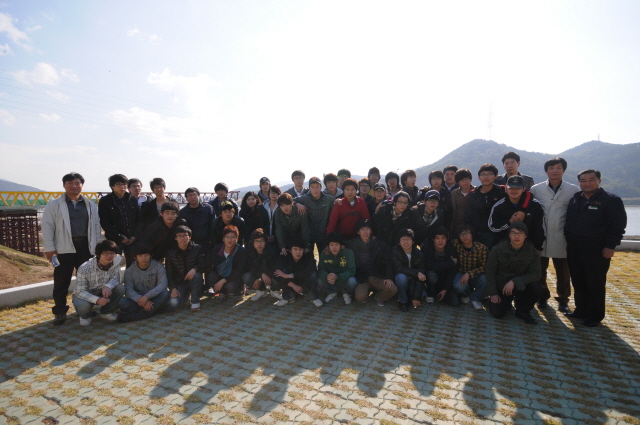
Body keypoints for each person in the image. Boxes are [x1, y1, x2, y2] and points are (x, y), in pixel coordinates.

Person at [564, 169, 627, 327]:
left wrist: (610, 246)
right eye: (583, 180)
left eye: (591, 180)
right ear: (579, 183)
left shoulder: (611, 200)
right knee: (578, 280)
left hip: (597, 249)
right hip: (574, 247)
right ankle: (581, 310)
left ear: (599, 181)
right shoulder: (576, 198)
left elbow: (617, 226)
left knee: (595, 283)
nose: (587, 183)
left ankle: (595, 315)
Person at [42, 172, 103, 325]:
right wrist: (49, 248)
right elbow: (47, 227)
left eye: (77, 183)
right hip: (64, 247)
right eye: (70, 183)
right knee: (62, 281)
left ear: (82, 185)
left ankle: (85, 308)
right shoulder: (54, 205)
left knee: (88, 281)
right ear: (64, 185)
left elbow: (96, 227)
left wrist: (97, 247)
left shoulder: (90, 205)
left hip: (85, 247)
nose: (74, 186)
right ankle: (60, 312)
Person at [530, 157, 580, 312]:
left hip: (562, 236)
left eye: (558, 167)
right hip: (541, 236)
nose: (555, 171)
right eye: (551, 168)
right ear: (546, 171)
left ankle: (563, 300)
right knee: (539, 270)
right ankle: (542, 297)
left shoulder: (573, 190)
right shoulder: (536, 189)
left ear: (563, 170)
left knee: (563, 272)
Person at [485, 221, 542, 325]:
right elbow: (490, 272)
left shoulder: (532, 252)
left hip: (520, 286)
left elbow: (536, 273)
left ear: (525, 236)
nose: (517, 236)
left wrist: (515, 281)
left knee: (536, 287)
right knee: (497, 313)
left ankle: (522, 310)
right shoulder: (498, 249)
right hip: (502, 287)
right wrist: (493, 293)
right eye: (513, 233)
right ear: (509, 235)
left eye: (520, 233)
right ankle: (505, 302)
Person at [72, 240, 124, 326]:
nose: (109, 256)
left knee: (120, 288)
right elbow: (79, 291)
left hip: (103, 290)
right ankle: (85, 316)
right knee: (83, 306)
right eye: (105, 253)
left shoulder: (117, 261)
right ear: (98, 254)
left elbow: (116, 278)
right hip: (86, 293)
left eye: (112, 253)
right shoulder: (85, 268)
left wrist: (108, 286)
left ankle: (106, 312)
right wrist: (97, 300)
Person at [347, 219, 397, 306]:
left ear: (371, 231)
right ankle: (365, 293)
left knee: (393, 289)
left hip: (377, 277)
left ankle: (378, 296)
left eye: (367, 229)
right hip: (363, 278)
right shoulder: (352, 245)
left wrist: (389, 277)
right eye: (362, 229)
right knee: (360, 297)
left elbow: (388, 262)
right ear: (358, 232)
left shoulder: (380, 244)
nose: (365, 232)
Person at [488, 175, 545, 251]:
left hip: (529, 248)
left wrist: (538, 247)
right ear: (506, 189)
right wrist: (509, 222)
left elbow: (540, 229)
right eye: (511, 188)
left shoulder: (535, 205)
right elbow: (492, 227)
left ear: (523, 189)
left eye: (517, 188)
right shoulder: (498, 206)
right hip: (504, 248)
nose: (514, 191)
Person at [98, 174, 143, 268]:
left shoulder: (132, 199)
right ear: (112, 186)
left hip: (132, 240)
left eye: (124, 184)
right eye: (118, 184)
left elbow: (139, 220)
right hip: (114, 240)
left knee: (133, 266)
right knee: (113, 265)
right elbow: (105, 222)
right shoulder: (105, 201)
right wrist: (120, 237)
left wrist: (135, 236)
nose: (122, 187)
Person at [118, 245, 170, 322]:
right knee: (122, 302)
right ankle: (155, 309)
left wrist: (146, 297)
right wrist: (141, 300)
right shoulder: (129, 271)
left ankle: (135, 316)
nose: (143, 258)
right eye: (140, 256)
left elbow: (163, 285)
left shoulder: (158, 267)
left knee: (165, 293)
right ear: (135, 257)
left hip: (154, 296)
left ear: (151, 256)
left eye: (146, 255)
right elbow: (128, 289)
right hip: (138, 299)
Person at [165, 225, 207, 312]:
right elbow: (169, 272)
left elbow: (204, 264)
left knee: (196, 276)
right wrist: (173, 288)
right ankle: (185, 295)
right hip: (181, 282)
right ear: (175, 238)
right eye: (179, 236)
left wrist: (194, 269)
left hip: (195, 281)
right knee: (173, 306)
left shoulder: (198, 248)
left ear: (190, 237)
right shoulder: (171, 253)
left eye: (185, 235)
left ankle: (195, 302)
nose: (182, 238)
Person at [464, 163, 505, 248]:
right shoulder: (473, 194)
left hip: (498, 235)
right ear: (479, 177)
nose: (486, 177)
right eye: (483, 174)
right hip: (477, 236)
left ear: (496, 176)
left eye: (490, 174)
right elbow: (468, 215)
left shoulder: (502, 191)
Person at [273, 237, 319, 307]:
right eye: (295, 249)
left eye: (300, 249)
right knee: (280, 273)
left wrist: (288, 276)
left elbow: (308, 272)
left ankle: (314, 297)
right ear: (290, 250)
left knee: (313, 274)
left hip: (304, 281)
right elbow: (275, 273)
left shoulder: (308, 256)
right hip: (290, 283)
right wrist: (293, 285)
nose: (298, 252)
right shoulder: (284, 256)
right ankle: (288, 297)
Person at [452, 225, 488, 310]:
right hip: (460, 273)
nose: (465, 236)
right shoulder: (455, 244)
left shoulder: (482, 248)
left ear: (472, 234)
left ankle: (476, 297)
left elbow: (485, 267)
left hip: (476, 275)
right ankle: (466, 294)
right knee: (458, 286)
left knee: (485, 279)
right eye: (461, 234)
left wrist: (469, 274)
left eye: (467, 233)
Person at [295, 177, 335, 253]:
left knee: (324, 256)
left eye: (317, 187)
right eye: (312, 187)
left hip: (323, 235)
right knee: (308, 256)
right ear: (309, 188)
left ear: (321, 187)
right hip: (309, 236)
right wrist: (297, 204)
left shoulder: (329, 199)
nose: (315, 189)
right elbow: (290, 200)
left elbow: (337, 204)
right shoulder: (304, 199)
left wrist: (338, 200)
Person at [207, 225, 247, 298]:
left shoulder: (241, 251)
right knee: (211, 276)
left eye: (232, 237)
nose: (229, 240)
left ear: (237, 239)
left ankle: (237, 290)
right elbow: (214, 266)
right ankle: (221, 291)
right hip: (221, 274)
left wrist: (223, 281)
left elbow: (239, 271)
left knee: (230, 287)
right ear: (223, 239)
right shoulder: (217, 248)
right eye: (227, 237)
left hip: (234, 277)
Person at [317, 232, 357, 306]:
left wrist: (338, 276)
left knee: (352, 281)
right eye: (332, 245)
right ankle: (331, 292)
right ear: (328, 246)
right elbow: (321, 269)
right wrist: (327, 276)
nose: (334, 247)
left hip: (343, 279)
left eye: (336, 245)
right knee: (319, 281)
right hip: (331, 281)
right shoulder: (324, 254)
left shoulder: (348, 253)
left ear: (341, 245)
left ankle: (346, 293)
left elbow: (351, 270)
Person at [242, 228, 282, 302]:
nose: (259, 244)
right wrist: (260, 276)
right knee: (246, 276)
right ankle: (261, 291)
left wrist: (263, 277)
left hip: (270, 275)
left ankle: (274, 290)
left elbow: (275, 267)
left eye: (261, 241)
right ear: (253, 242)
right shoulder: (250, 251)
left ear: (265, 242)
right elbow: (250, 267)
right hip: (258, 274)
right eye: (256, 241)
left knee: (279, 274)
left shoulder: (272, 251)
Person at [391, 229, 426, 312]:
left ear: (413, 241)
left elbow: (421, 275)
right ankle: (403, 302)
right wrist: (416, 273)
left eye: (409, 239)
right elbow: (399, 268)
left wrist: (416, 297)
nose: (406, 242)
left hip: (413, 279)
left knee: (421, 295)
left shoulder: (419, 254)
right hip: (400, 277)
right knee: (401, 278)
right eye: (403, 239)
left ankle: (411, 297)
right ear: (399, 242)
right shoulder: (394, 251)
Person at [421, 227, 458, 305]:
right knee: (431, 275)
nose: (440, 241)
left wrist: (445, 289)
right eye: (437, 238)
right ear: (433, 239)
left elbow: (453, 271)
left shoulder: (451, 248)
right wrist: (450, 263)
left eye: (443, 238)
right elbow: (430, 266)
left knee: (454, 302)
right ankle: (430, 293)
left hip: (445, 278)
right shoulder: (426, 247)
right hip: (431, 277)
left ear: (447, 239)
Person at [450, 168, 475, 236]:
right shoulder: (454, 193)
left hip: (474, 226)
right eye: (462, 180)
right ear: (458, 182)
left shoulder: (477, 191)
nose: (465, 181)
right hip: (458, 227)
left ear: (470, 179)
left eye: (467, 178)